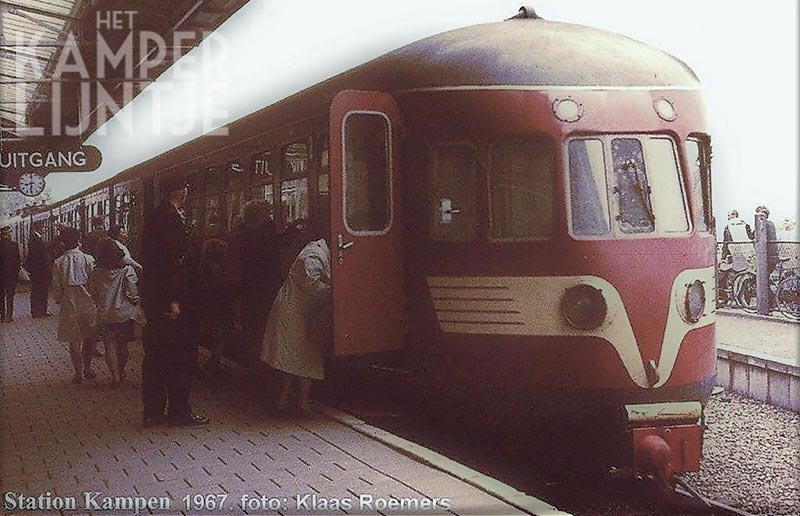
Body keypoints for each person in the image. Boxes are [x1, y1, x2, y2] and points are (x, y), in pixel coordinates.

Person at [140, 176, 209, 427]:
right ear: (182, 190)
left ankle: (154, 412)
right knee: (179, 357)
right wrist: (174, 299)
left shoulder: (158, 216)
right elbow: (172, 263)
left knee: (158, 358)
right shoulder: (168, 220)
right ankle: (179, 411)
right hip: (171, 303)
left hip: (160, 300)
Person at [260, 229, 332, 414]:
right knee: (306, 357)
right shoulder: (314, 256)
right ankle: (303, 402)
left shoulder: (313, 252)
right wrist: (335, 293)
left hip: (295, 311)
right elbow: (312, 284)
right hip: (296, 313)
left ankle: (283, 400)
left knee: (290, 358)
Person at [88, 238, 145, 386]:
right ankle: (121, 370)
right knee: (123, 345)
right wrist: (135, 301)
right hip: (124, 314)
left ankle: (115, 377)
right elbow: (132, 292)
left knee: (110, 345)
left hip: (105, 314)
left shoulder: (96, 273)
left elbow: (92, 292)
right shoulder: (127, 270)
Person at [51, 227, 98, 383]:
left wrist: (58, 299)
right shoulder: (89, 259)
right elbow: (94, 281)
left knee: (74, 339)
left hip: (68, 301)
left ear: (63, 243)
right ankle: (88, 368)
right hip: (88, 300)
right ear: (79, 241)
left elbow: (56, 287)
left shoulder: (58, 262)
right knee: (90, 336)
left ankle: (78, 373)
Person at [239, 200, 280, 359]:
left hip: (254, 287)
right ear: (257, 215)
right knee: (260, 326)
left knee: (256, 327)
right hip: (260, 288)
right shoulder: (253, 234)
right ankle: (258, 367)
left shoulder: (247, 233)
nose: (269, 215)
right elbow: (270, 249)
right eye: (266, 212)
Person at [198, 238, 236, 376]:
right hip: (219, 305)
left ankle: (214, 360)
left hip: (209, 305)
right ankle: (214, 361)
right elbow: (221, 285)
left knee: (219, 333)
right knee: (225, 332)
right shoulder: (216, 267)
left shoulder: (203, 264)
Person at [26, 224, 52, 318]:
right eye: (44, 227)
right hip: (40, 270)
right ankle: (40, 311)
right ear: (39, 227)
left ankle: (38, 310)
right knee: (41, 290)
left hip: (37, 271)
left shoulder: (35, 239)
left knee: (37, 290)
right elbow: (39, 257)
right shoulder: (36, 240)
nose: (45, 229)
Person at [0, 225, 21, 323]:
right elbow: (18, 261)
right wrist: (16, 272)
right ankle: (9, 316)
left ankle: (2, 315)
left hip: (1, 275)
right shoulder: (14, 245)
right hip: (11, 274)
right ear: (7, 234)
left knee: (1, 295)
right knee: (10, 295)